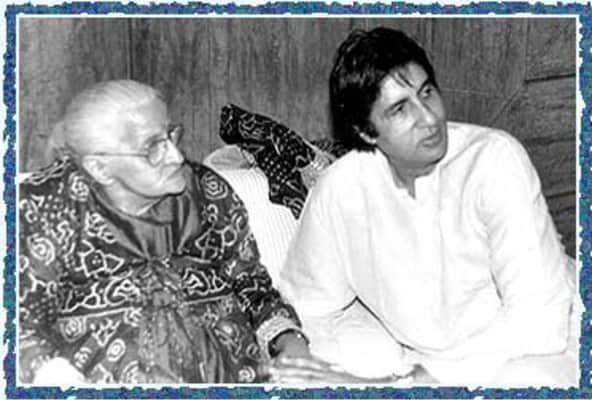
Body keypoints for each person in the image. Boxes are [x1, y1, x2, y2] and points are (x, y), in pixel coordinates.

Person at [279, 27, 579, 386]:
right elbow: (307, 305)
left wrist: (424, 378)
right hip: (420, 361)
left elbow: (540, 318)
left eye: (427, 92)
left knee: (524, 380)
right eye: (400, 109)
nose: (429, 118)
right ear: (366, 131)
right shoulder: (340, 189)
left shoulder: (493, 160)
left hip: (538, 347)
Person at [18, 80, 311, 384]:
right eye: (152, 147)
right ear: (99, 168)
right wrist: (52, 376)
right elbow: (18, 323)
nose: (176, 156)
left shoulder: (206, 191)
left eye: (171, 135)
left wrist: (290, 341)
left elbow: (253, 287)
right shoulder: (46, 205)